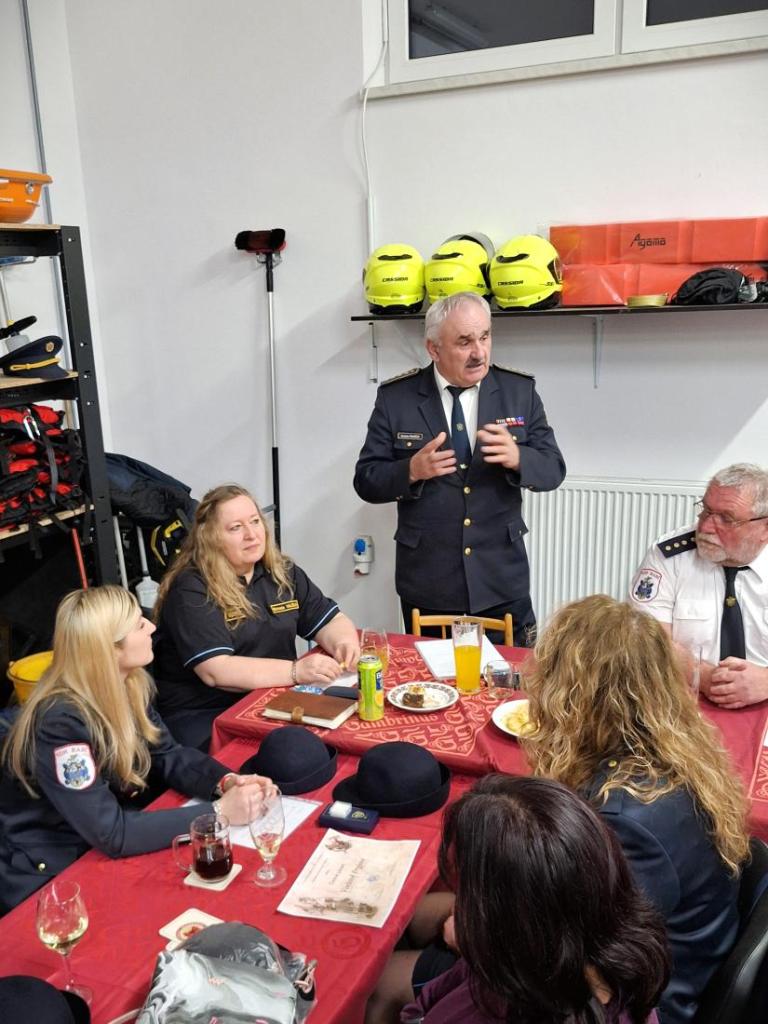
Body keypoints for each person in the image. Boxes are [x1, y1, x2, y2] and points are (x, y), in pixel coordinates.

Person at [523, 595, 750, 1024]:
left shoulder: (624, 817)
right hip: (677, 963)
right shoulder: (671, 755)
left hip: (649, 1002)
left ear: (572, 693)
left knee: (395, 978)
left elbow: (590, 967)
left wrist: (479, 935)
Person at [0, 586, 274, 913]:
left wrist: (225, 783)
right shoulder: (60, 725)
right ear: (109, 648)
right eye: (138, 624)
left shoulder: (128, 684)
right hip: (53, 871)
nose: (152, 628)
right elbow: (112, 833)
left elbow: (167, 754)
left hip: (100, 838)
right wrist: (218, 814)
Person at [367, 774, 669, 1024]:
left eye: (468, 892)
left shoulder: (517, 976)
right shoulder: (590, 945)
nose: (461, 904)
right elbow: (447, 989)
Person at [353, 291, 565, 647]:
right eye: (464, 342)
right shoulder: (397, 398)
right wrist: (411, 470)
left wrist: (519, 457)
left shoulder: (518, 391)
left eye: (485, 337)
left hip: (501, 582)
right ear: (434, 349)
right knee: (432, 688)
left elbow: (553, 469)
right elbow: (366, 480)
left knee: (511, 689)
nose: (479, 352)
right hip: (429, 583)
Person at [152, 484, 360, 748]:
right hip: (206, 713)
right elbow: (216, 671)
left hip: (273, 698)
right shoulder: (192, 588)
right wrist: (296, 671)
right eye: (236, 528)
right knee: (297, 755)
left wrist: (344, 644)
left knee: (342, 735)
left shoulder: (282, 571)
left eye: (254, 521)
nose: (251, 535)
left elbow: (330, 620)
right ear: (210, 538)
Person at [628, 463, 768, 708]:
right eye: (706, 511)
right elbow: (645, 637)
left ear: (764, 528)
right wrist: (699, 676)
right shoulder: (670, 555)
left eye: (726, 518)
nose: (705, 527)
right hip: (683, 699)